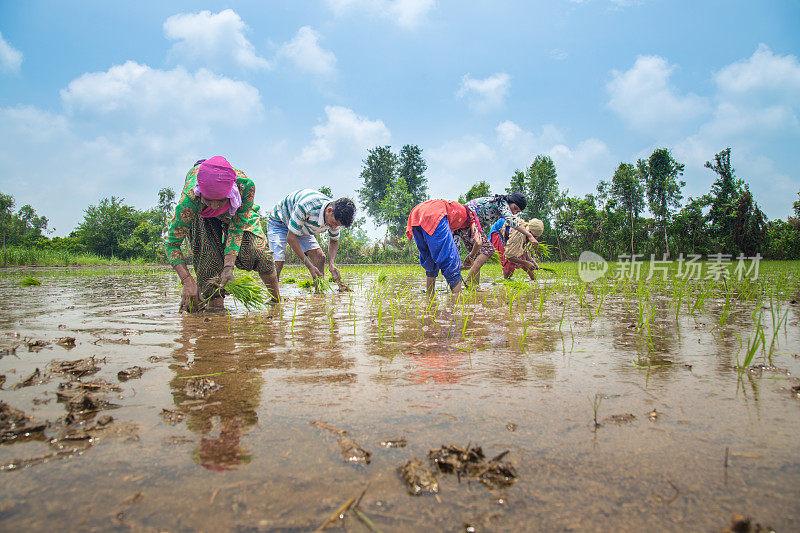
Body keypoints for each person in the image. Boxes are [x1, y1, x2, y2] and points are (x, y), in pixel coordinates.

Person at [165, 156, 280, 312]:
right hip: (201, 215)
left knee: (257, 251)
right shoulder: (190, 201)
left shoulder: (245, 187)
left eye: (220, 200)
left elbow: (237, 227)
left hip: (234, 212)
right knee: (208, 259)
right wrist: (187, 281)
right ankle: (215, 310)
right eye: (209, 200)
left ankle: (276, 300)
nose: (215, 205)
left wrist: (228, 267)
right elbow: (172, 244)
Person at [267, 189, 355, 282]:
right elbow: (291, 238)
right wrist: (309, 266)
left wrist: (331, 264)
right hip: (279, 221)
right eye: (333, 223)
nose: (334, 227)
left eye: (337, 225)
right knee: (278, 260)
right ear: (329, 210)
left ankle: (319, 293)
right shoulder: (306, 206)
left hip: (302, 225)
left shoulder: (336, 217)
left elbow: (334, 240)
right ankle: (274, 296)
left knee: (320, 257)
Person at [406, 199, 482, 295]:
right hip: (435, 212)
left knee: (429, 258)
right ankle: (458, 302)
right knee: (452, 262)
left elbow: (451, 243)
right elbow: (479, 242)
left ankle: (430, 298)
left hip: (416, 212)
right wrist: (471, 256)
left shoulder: (455, 215)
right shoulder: (471, 215)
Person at [461, 193, 538, 288]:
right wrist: (529, 235)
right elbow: (511, 219)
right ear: (510, 201)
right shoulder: (502, 203)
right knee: (489, 250)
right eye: (515, 208)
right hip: (468, 218)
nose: (514, 212)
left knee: (478, 254)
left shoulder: (500, 204)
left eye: (517, 211)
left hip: (466, 220)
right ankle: (469, 280)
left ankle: (474, 285)